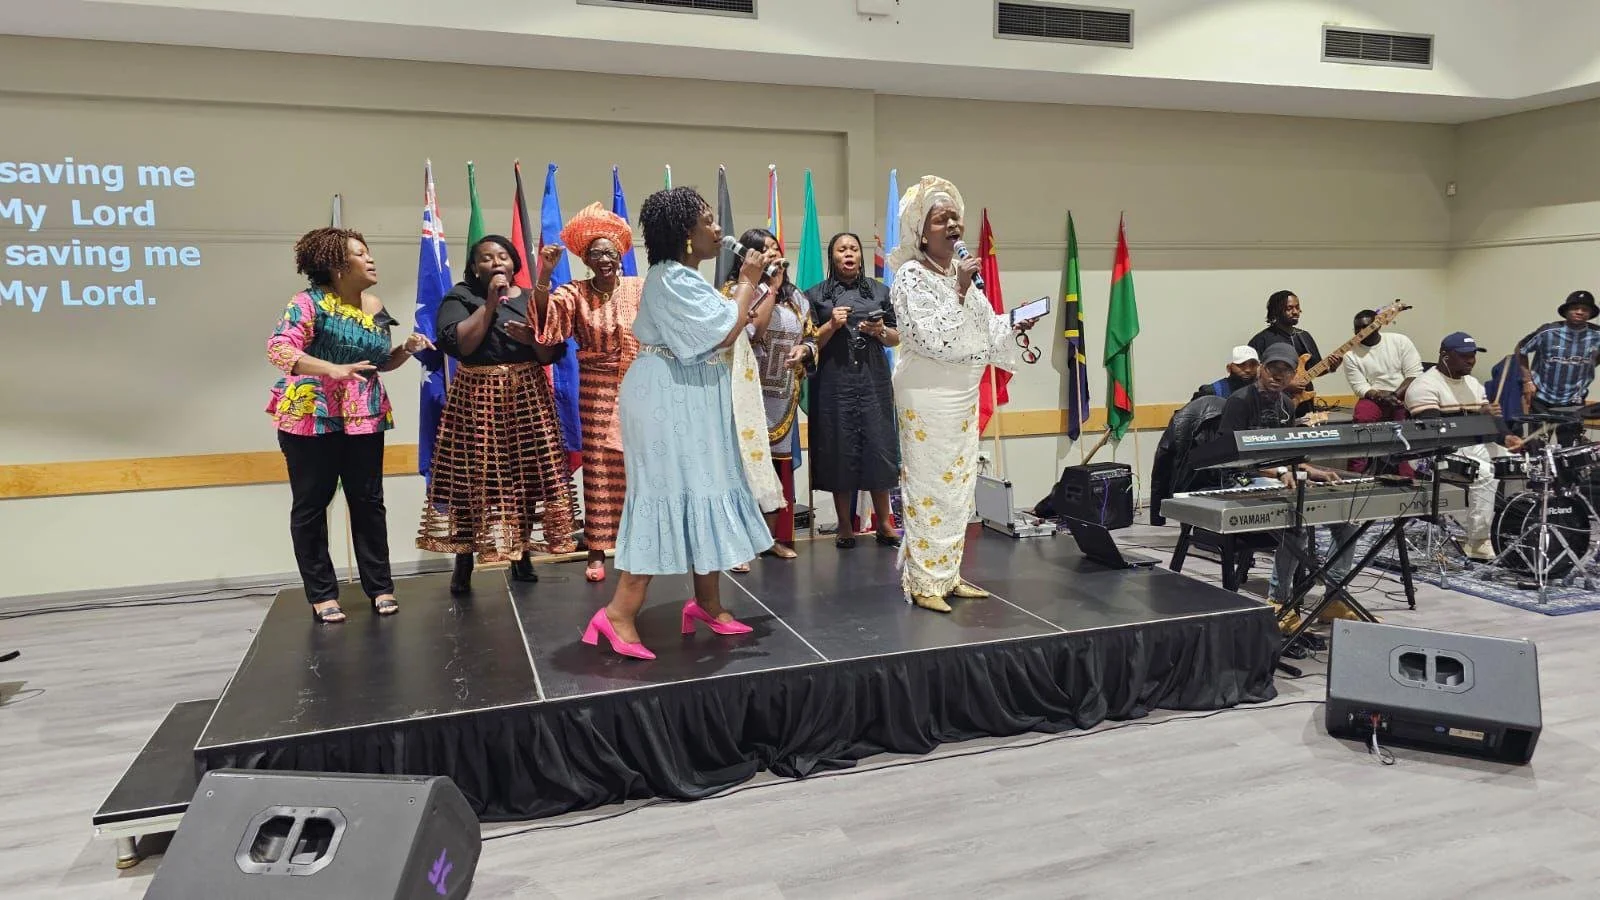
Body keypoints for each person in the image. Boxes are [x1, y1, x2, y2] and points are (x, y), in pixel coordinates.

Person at [582, 186, 784, 661]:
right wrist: (749, 280)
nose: (719, 230)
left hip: (694, 388)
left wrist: (751, 285)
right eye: (709, 221)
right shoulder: (670, 278)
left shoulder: (687, 279)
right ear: (687, 235)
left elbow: (728, 329)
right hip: (666, 395)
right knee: (666, 492)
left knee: (706, 485)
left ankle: (707, 603)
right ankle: (616, 614)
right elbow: (729, 329)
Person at [886, 175, 1038, 613]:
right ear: (921, 230)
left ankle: (947, 574)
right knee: (929, 486)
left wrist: (1012, 325)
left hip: (963, 395)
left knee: (957, 486)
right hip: (927, 396)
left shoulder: (961, 276)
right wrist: (959, 290)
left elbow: (985, 332)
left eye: (955, 217)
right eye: (940, 219)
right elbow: (930, 336)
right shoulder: (910, 277)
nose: (952, 224)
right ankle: (922, 582)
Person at [267, 227, 433, 624]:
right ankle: (322, 594)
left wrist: (404, 351)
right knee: (311, 506)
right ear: (338, 266)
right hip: (311, 413)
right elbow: (280, 349)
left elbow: (376, 364)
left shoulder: (374, 304)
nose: (370, 258)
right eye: (361, 253)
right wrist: (332, 369)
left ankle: (380, 587)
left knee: (369, 502)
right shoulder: (307, 303)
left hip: (365, 414)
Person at [417, 235, 578, 594]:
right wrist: (489, 304)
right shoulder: (461, 297)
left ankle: (520, 554)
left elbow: (550, 351)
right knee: (470, 481)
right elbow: (460, 344)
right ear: (475, 267)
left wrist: (530, 340)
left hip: (527, 396)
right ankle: (464, 558)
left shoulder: (531, 298)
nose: (496, 262)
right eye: (486, 258)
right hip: (476, 398)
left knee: (525, 478)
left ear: (515, 263)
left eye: (503, 256)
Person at [534, 204, 643, 583]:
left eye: (610, 253)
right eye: (596, 254)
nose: (605, 259)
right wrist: (544, 276)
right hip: (596, 390)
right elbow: (547, 328)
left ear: (620, 255)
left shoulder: (638, 287)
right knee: (599, 468)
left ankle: (641, 546)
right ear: (586, 259)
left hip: (638, 387)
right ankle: (596, 550)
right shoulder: (574, 292)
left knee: (640, 467)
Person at [1214, 343, 1361, 624]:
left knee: (1348, 522)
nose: (1277, 376)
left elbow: (1287, 453)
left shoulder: (1286, 405)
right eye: (1272, 369)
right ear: (1261, 369)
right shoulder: (1240, 401)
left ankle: (1334, 598)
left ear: (1293, 375)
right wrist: (1281, 472)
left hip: (1278, 475)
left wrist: (1314, 471)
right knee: (1297, 522)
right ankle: (1280, 601)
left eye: (1285, 371)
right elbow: (1233, 456)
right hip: (1241, 478)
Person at [724, 228, 816, 565]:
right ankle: (738, 546)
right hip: (746, 394)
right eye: (765, 250)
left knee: (777, 471)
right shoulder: (735, 292)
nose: (774, 255)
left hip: (782, 394)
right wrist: (770, 290)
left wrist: (805, 350)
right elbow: (754, 330)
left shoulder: (798, 298)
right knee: (744, 470)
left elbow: (812, 337)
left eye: (776, 249)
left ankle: (770, 539)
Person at [806, 232, 902, 548]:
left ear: (861, 256)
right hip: (834, 382)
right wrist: (831, 325)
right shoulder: (815, 295)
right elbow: (808, 344)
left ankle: (884, 523)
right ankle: (845, 526)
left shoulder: (879, 291)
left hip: (872, 380)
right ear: (832, 257)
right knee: (839, 449)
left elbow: (896, 337)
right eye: (842, 249)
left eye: (854, 249)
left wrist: (880, 330)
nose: (849, 254)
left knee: (878, 447)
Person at [1406, 332, 1525, 561]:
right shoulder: (1424, 386)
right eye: (1463, 356)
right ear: (1445, 356)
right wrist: (1479, 415)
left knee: (1516, 464)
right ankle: (1478, 541)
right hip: (1431, 453)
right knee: (1485, 471)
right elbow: (1436, 432)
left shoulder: (1472, 383)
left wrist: (1507, 437)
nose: (1470, 360)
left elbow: (1489, 421)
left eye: (1472, 355)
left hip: (1468, 446)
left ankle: (1504, 529)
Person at [1342, 308, 1424, 473]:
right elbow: (1360, 386)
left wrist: (1394, 395)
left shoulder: (1400, 341)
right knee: (1362, 415)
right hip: (1374, 396)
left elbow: (1414, 373)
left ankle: (1406, 476)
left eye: (1366, 327)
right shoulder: (1350, 354)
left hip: (1402, 393)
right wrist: (1380, 396)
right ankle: (1353, 473)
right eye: (1357, 328)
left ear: (1377, 326)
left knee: (1402, 432)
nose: (1360, 332)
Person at [1516, 290, 1600, 445]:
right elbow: (1521, 349)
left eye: (1585, 309)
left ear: (1590, 313)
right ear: (1566, 311)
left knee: (1570, 448)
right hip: (1542, 398)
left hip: (1573, 400)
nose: (1580, 312)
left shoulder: (1597, 335)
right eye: (1575, 308)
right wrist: (1527, 381)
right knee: (1537, 445)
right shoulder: (1548, 331)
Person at [1247, 290, 1343, 411]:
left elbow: (1314, 368)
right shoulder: (1261, 340)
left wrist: (1331, 367)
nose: (1295, 312)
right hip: (1272, 404)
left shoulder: (1304, 336)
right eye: (1289, 308)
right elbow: (1252, 374)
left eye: (1297, 307)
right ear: (1277, 311)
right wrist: (1286, 384)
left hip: (1304, 402)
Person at [1192, 346, 1259, 399]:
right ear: (1229, 368)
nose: (1248, 370)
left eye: (1253, 365)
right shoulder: (1211, 392)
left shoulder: (1263, 391)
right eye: (1241, 365)